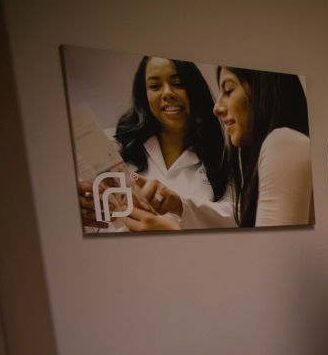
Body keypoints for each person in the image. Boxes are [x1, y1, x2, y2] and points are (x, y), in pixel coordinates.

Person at [79, 56, 234, 232]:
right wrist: (79, 209)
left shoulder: (224, 158)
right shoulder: (113, 146)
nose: (167, 93)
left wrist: (180, 204)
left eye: (178, 83)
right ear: (144, 95)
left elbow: (237, 219)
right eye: (155, 86)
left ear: (194, 90)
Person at [212, 66, 313, 227]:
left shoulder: (282, 143)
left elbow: (274, 249)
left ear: (263, 90)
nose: (217, 108)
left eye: (229, 90)